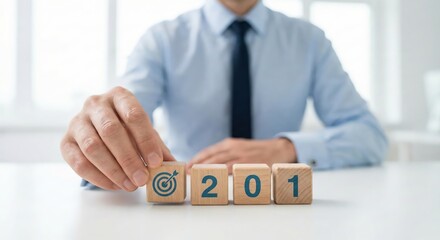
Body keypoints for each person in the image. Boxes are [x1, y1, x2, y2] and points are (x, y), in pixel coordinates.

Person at [60, 0, 388, 191]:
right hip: (187, 202)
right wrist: (104, 134)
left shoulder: (310, 41)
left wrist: (285, 148)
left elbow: (369, 135)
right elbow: (124, 118)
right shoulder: (162, 40)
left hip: (281, 206)